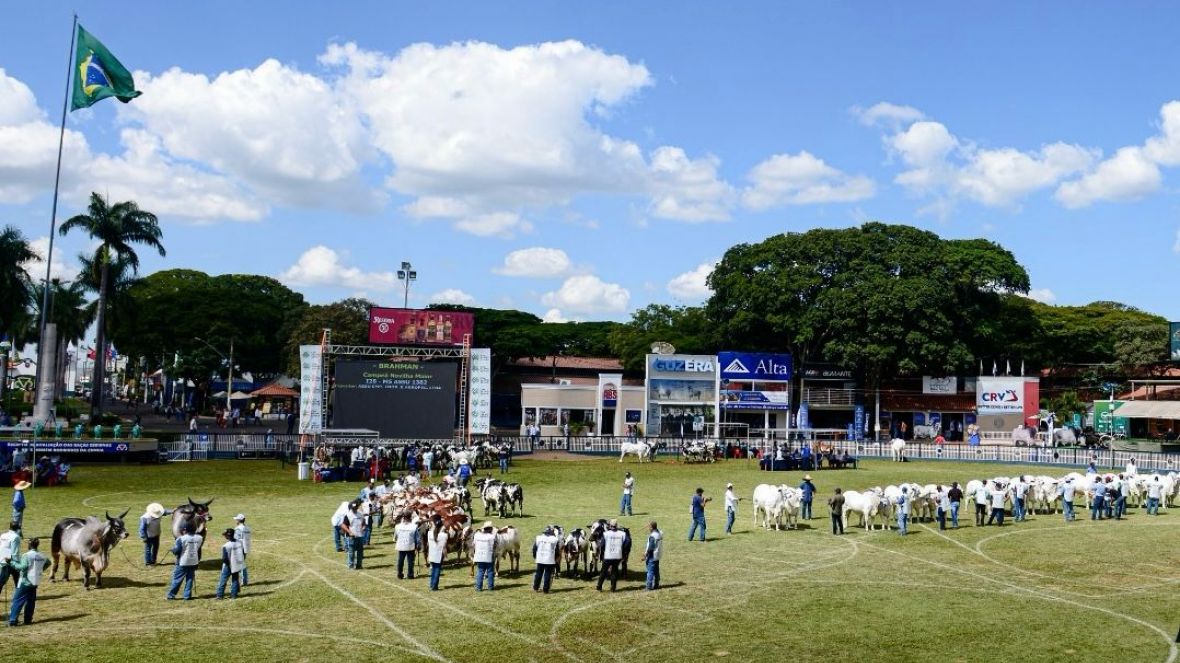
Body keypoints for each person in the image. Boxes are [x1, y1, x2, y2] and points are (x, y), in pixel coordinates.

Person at [6, 537, 49, 627]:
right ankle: (28, 619)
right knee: (31, 601)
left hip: (25, 581)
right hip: (35, 581)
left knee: (17, 600)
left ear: (29, 545)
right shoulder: (42, 556)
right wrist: (39, 570)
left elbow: (22, 567)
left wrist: (11, 562)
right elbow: (48, 563)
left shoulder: (26, 555)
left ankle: (13, 620)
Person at [166, 524, 203, 600]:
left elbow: (177, 551)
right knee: (190, 579)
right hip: (194, 561)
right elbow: (198, 548)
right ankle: (187, 596)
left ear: (185, 530)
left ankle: (171, 595)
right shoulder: (200, 538)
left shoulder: (181, 539)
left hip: (182, 561)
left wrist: (172, 550)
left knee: (177, 579)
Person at [216, 528, 245, 599]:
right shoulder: (239, 543)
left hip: (228, 565)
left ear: (228, 536)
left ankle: (219, 595)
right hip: (237, 564)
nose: (225, 536)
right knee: (235, 579)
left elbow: (224, 558)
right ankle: (234, 595)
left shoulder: (226, 545)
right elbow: (243, 553)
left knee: (223, 580)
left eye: (225, 535)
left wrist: (227, 564)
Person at [597, 519, 625, 592]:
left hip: (608, 556)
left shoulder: (606, 534)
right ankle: (613, 587)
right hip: (617, 556)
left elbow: (602, 545)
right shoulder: (622, 533)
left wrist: (603, 552)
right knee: (614, 572)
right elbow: (626, 544)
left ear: (610, 526)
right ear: (617, 526)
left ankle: (599, 586)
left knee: (603, 571)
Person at [532, 525, 560, 593]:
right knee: (547, 574)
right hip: (549, 559)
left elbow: (534, 548)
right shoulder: (555, 540)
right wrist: (556, 559)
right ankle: (546, 589)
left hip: (540, 558)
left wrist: (535, 556)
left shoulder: (539, 538)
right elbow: (557, 551)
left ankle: (536, 587)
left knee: (538, 573)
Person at [342, 500, 367, 570]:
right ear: (351, 508)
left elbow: (364, 522)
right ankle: (351, 566)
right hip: (352, 537)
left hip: (360, 536)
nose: (355, 509)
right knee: (351, 552)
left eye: (356, 507)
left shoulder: (360, 513)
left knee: (360, 552)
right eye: (353, 508)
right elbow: (343, 525)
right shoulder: (348, 515)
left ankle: (359, 565)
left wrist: (364, 527)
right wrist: (349, 532)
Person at [394, 512, 419, 579]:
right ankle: (410, 574)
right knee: (410, 561)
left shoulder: (397, 526)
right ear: (410, 517)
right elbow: (417, 538)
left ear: (403, 518)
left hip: (401, 545)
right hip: (410, 545)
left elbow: (395, 537)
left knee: (400, 560)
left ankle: (400, 574)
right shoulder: (414, 526)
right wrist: (418, 545)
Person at [426, 517, 449, 591]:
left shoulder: (429, 533)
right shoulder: (444, 535)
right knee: (437, 570)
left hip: (431, 553)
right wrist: (446, 557)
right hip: (439, 555)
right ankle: (434, 586)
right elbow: (444, 548)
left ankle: (432, 584)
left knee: (433, 570)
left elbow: (428, 544)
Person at [473, 521, 497, 591]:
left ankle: (478, 587)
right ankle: (490, 587)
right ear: (490, 529)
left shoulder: (477, 535)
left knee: (480, 572)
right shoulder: (492, 537)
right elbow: (494, 546)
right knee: (490, 572)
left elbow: (474, 544)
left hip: (479, 556)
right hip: (488, 556)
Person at [0, 521, 21, 590]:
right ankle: (19, 596)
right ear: (17, 528)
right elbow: (15, 552)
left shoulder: (3, 535)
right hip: (11, 561)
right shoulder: (16, 537)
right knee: (18, 581)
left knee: (2, 580)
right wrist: (17, 563)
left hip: (3, 559)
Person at [233, 513, 252, 586]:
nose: (235, 521)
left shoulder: (238, 529)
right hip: (245, 548)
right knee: (242, 564)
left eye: (236, 519)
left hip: (239, 548)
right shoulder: (247, 528)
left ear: (238, 520)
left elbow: (236, 539)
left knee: (239, 565)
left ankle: (242, 581)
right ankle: (244, 580)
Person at [643, 521, 662, 591]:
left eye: (649, 527)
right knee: (656, 570)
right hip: (658, 555)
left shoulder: (652, 536)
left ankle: (648, 586)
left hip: (652, 555)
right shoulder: (659, 533)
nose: (648, 528)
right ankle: (656, 584)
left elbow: (651, 547)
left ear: (651, 527)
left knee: (650, 571)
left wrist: (645, 555)